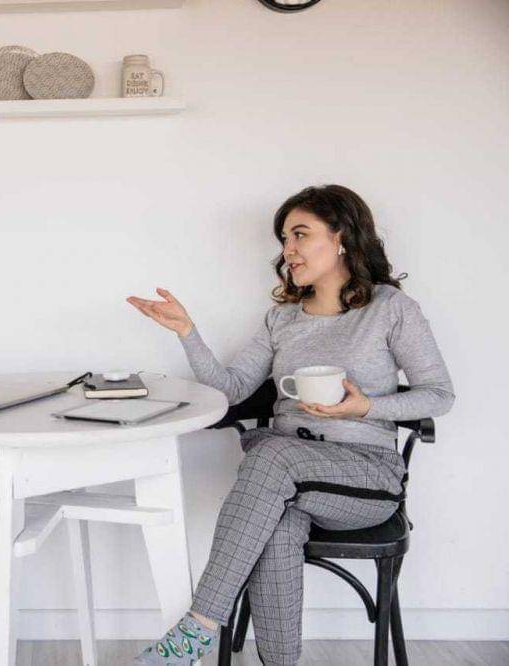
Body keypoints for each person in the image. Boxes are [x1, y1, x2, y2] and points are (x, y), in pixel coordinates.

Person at [127, 185, 454, 665]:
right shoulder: (281, 319)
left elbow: (440, 395)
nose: (288, 250)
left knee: (271, 454)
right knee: (277, 526)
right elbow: (232, 390)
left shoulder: (390, 308)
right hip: (283, 481)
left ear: (341, 237)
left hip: (364, 476)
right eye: (284, 239)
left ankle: (197, 630)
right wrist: (187, 333)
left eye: (300, 234)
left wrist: (364, 408)